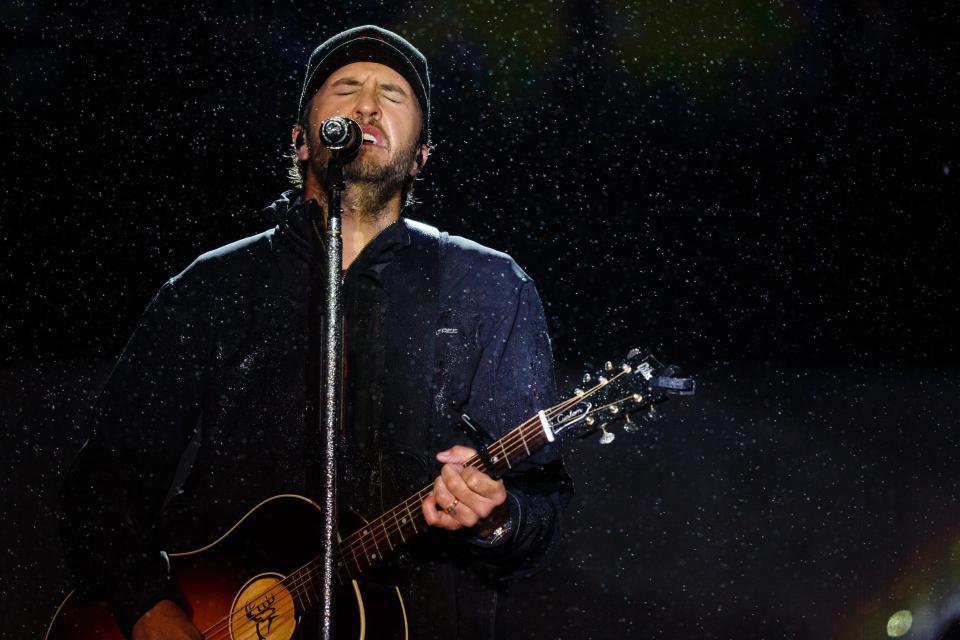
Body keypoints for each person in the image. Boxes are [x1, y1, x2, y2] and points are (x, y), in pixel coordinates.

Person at [59, 24, 571, 640]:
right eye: (346, 89)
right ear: (302, 139)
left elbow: (540, 506)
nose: (367, 104)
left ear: (421, 156)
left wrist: (495, 518)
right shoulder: (212, 287)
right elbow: (102, 487)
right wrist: (148, 609)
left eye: (393, 95)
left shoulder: (490, 288)